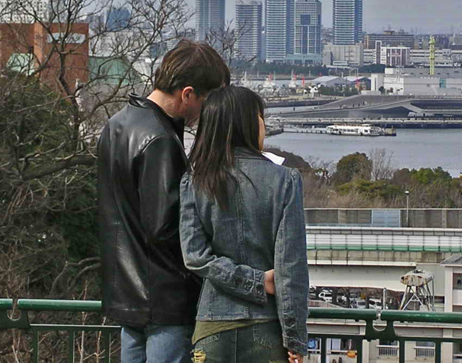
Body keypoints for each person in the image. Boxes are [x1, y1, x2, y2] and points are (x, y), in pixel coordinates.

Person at [97, 40, 231, 363]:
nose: (207, 112)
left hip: (126, 294)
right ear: (187, 94)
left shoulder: (116, 125)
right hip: (164, 301)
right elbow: (165, 228)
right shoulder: (160, 140)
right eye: (207, 100)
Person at [180, 86, 309, 363]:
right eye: (261, 117)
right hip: (267, 328)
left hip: (212, 326)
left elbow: (195, 258)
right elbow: (291, 269)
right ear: (249, 123)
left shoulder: (195, 181)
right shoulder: (285, 181)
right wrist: (295, 339)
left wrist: (253, 282)